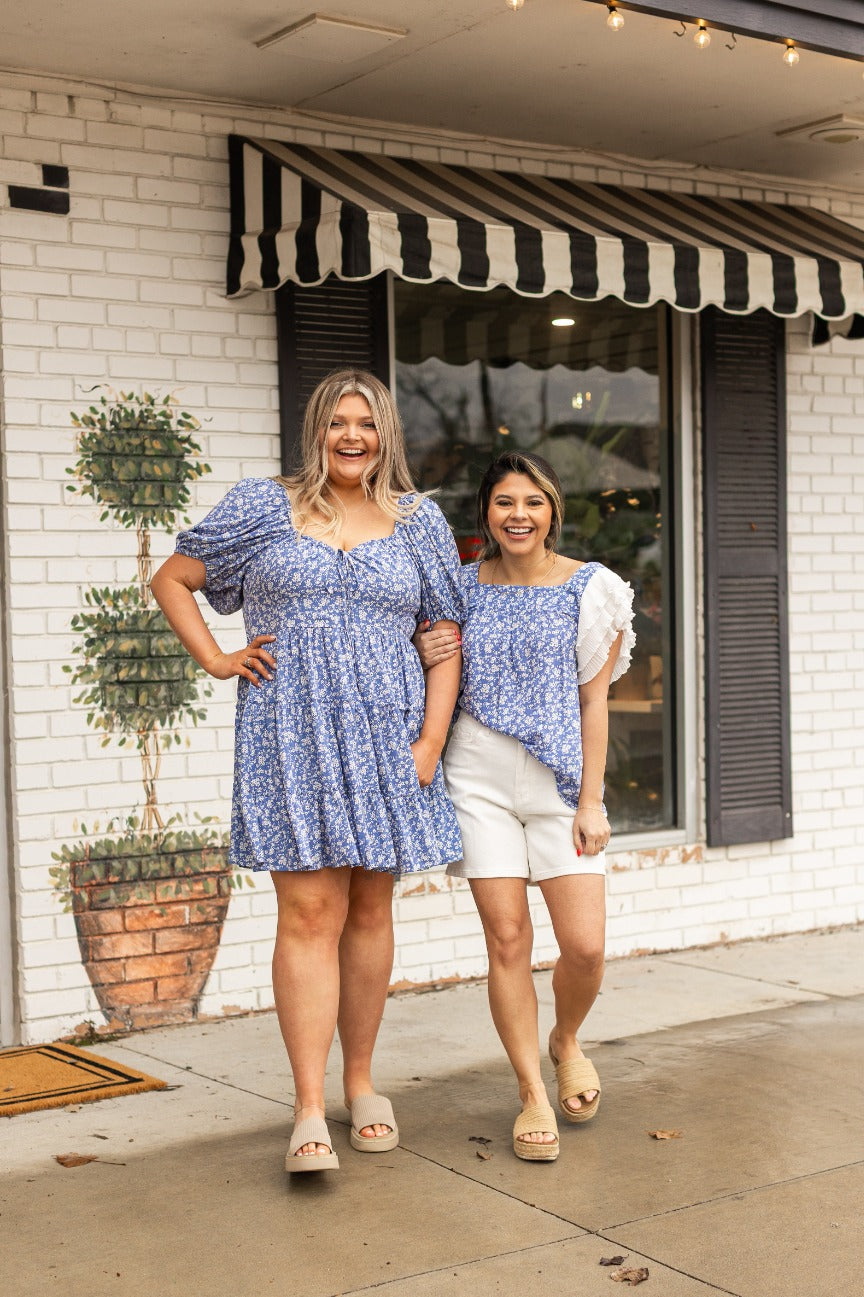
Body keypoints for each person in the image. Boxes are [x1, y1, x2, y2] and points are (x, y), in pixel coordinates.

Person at [151, 369, 463, 1173]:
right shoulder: (264, 506)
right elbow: (173, 578)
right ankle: (306, 1107)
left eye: (367, 423)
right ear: (316, 431)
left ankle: (362, 1085)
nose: (352, 436)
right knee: (307, 914)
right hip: (290, 734)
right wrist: (220, 658)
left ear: (385, 433)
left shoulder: (417, 521)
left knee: (368, 910)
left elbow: (444, 635)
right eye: (338, 422)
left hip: (389, 738)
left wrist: (430, 741)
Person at [415, 451, 634, 1162]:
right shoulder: (458, 588)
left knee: (585, 946)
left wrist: (593, 799)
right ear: (486, 512)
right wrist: (425, 644)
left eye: (533, 501)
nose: (518, 515)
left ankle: (566, 1037)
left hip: (559, 782)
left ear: (552, 510)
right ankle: (531, 1090)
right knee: (507, 939)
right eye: (505, 501)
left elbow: (594, 701)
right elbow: (427, 655)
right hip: (476, 776)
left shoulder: (590, 589)